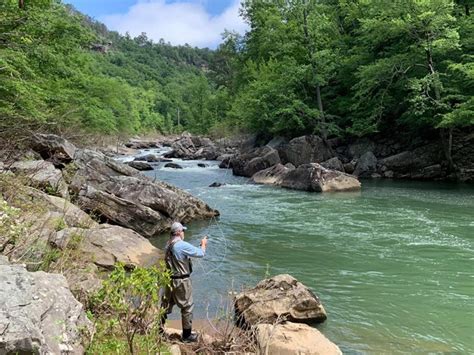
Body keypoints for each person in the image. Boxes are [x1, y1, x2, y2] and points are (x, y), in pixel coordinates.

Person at [160, 221, 208, 342]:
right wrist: (203, 244)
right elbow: (201, 253)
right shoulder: (181, 245)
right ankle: (187, 336)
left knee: (166, 305)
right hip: (182, 282)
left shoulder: (168, 245)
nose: (184, 233)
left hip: (169, 280)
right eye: (183, 231)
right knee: (187, 307)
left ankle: (158, 330)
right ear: (179, 233)